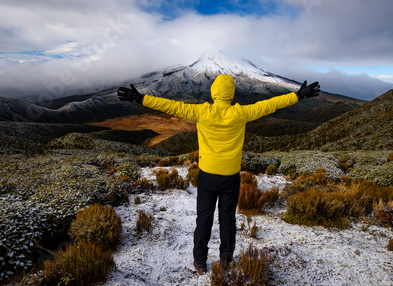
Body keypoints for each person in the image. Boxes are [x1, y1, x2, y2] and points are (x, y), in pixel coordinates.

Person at [118, 74, 320, 275]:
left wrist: (139, 98)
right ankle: (226, 261)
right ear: (231, 94)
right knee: (228, 220)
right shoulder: (241, 113)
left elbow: (170, 106)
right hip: (231, 178)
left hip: (208, 177)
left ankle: (199, 261)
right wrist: (299, 95)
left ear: (214, 92)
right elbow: (271, 104)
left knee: (204, 219)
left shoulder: (201, 111)